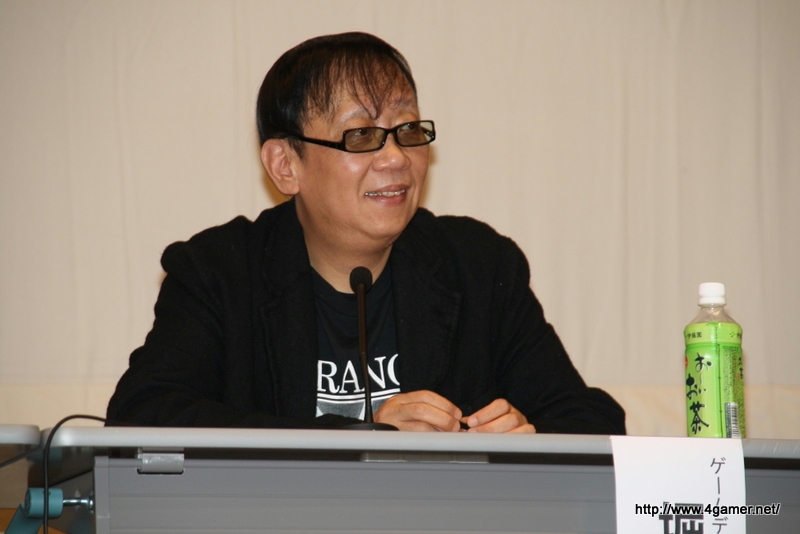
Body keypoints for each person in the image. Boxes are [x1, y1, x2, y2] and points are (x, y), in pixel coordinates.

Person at [106, 32, 625, 434]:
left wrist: (523, 441)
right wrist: (360, 439)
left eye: (408, 130)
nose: (396, 157)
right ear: (286, 165)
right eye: (361, 135)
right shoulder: (218, 272)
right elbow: (143, 414)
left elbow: (592, 422)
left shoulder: (477, 266)